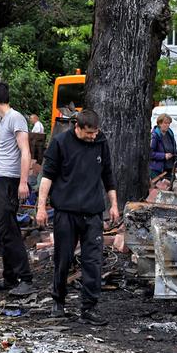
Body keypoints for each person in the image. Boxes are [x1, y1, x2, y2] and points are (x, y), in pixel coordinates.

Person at [35, 109, 118, 326]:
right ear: (77, 127)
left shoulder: (101, 142)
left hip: (92, 214)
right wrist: (41, 207)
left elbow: (108, 175)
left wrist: (114, 205)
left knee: (93, 261)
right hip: (66, 212)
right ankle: (58, 302)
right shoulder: (61, 143)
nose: (93, 136)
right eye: (89, 133)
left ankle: (89, 308)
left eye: (95, 132)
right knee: (63, 259)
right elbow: (47, 177)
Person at [0, 81, 35, 296]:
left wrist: (23, 182)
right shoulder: (2, 120)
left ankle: (25, 278)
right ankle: (9, 277)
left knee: (9, 231)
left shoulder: (15, 118)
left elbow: (26, 151)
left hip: (9, 181)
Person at [149, 113, 177, 183]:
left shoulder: (170, 134)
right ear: (159, 123)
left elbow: (174, 150)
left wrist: (176, 165)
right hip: (157, 170)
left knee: (174, 186)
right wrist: (164, 156)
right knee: (160, 190)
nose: (167, 125)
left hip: (170, 169)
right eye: (165, 123)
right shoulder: (154, 136)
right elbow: (150, 154)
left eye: (168, 123)